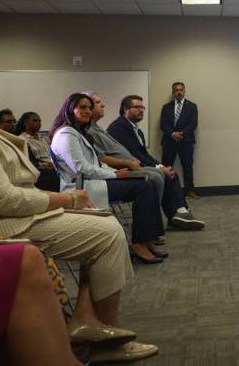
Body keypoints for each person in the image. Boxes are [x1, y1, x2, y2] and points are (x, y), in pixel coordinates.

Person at [0, 52, 157, 363]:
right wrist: (68, 199)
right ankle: (106, 337)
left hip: (4, 215)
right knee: (107, 232)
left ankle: (88, 321)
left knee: (102, 221)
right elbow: (1, 200)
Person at [50, 93, 166, 265]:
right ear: (69, 109)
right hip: (81, 188)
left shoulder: (78, 132)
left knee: (146, 181)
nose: (88, 111)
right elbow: (82, 168)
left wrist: (117, 171)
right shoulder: (66, 134)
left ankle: (146, 240)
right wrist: (114, 175)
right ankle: (139, 243)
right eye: (82, 107)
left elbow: (95, 163)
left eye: (89, 108)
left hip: (94, 181)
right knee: (144, 187)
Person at [108, 94, 204, 230]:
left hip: (137, 165)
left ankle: (179, 214)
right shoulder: (119, 128)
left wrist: (160, 165)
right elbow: (133, 155)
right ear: (125, 110)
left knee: (170, 172)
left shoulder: (136, 129)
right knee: (165, 175)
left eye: (142, 107)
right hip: (124, 170)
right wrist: (158, 168)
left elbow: (144, 154)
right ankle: (179, 214)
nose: (141, 110)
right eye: (137, 107)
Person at [160, 81, 199, 198]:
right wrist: (172, 134)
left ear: (184, 91)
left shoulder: (192, 106)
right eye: (176, 90)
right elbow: (163, 124)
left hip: (186, 141)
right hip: (169, 141)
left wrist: (181, 133)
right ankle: (165, 190)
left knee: (187, 166)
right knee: (166, 167)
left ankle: (190, 190)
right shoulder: (166, 107)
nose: (179, 92)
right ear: (173, 92)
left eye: (181, 90)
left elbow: (193, 124)